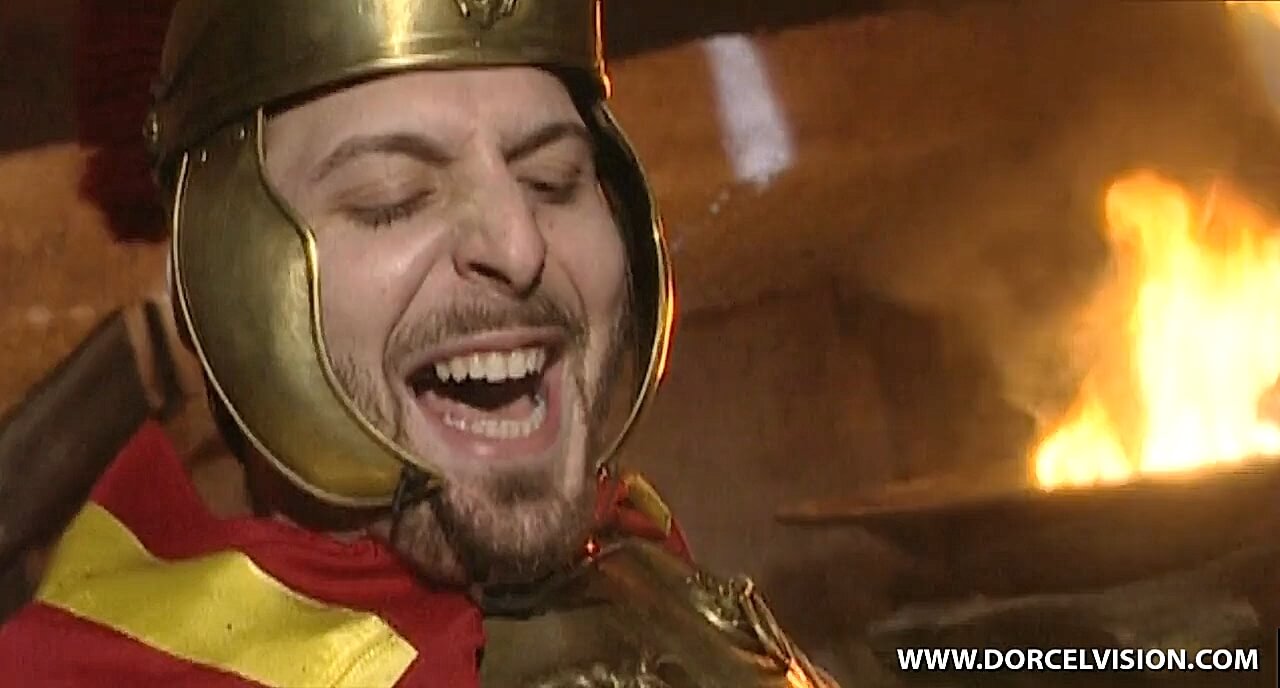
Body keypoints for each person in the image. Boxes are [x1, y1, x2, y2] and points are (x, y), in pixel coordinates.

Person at [0, 0, 837, 686]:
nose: (519, 247)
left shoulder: (652, 574)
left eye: (554, 180)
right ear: (215, 286)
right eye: (391, 197)